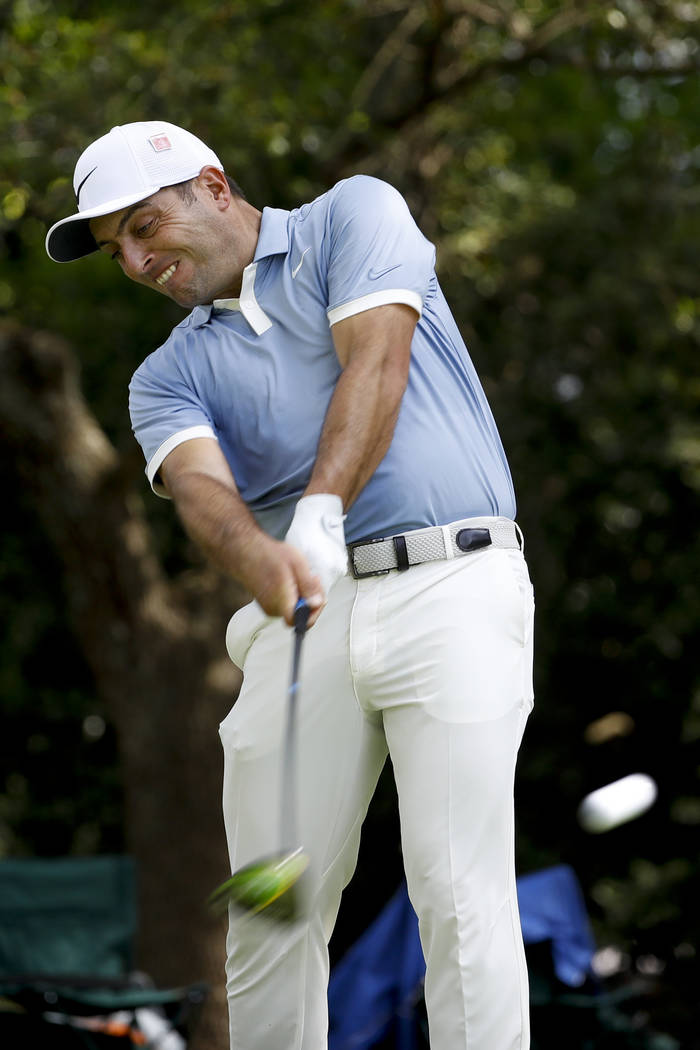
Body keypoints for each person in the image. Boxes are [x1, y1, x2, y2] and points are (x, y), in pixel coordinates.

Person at [46, 120, 535, 1050]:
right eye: (119, 250)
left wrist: (319, 508)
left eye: (147, 225)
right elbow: (202, 493)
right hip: (305, 619)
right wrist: (262, 557)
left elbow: (376, 358)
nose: (140, 259)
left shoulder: (352, 216)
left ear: (214, 187)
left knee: (456, 889)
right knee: (271, 908)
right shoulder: (166, 375)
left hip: (453, 583)